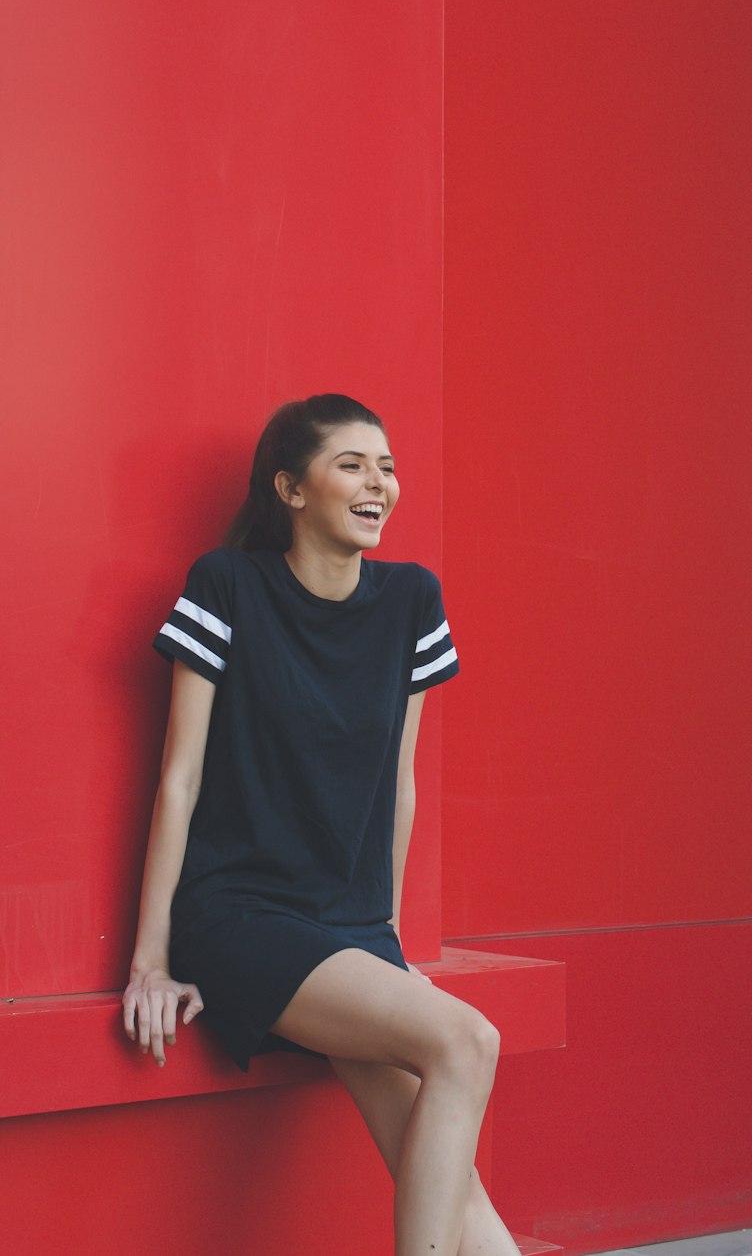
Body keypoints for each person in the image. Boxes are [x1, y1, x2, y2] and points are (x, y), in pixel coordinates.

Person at [122, 393, 520, 1256]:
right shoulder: (226, 585)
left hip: (351, 928)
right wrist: (151, 959)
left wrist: (388, 939)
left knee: (465, 1203)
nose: (379, 481)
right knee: (468, 1039)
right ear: (290, 490)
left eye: (386, 465)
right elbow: (178, 779)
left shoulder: (413, 600)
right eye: (352, 464)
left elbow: (398, 783)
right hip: (241, 917)